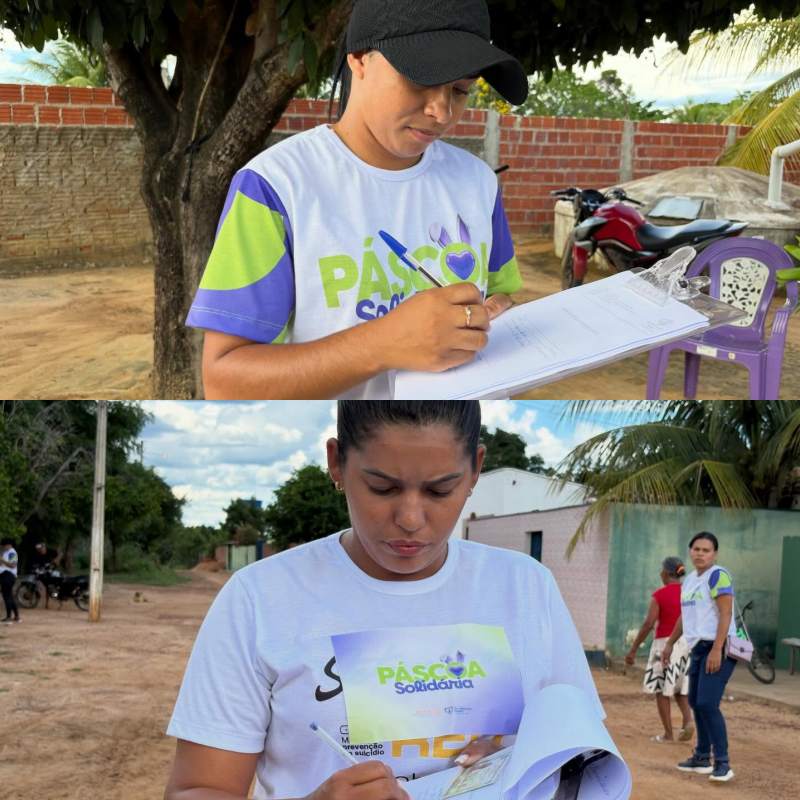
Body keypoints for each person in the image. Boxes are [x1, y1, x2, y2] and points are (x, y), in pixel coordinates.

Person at [164, 401, 607, 800]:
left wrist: (510, 755)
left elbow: (580, 756)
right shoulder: (260, 598)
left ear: (475, 468)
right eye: (381, 487)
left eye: (440, 490)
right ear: (336, 463)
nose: (410, 519)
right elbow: (198, 788)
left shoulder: (525, 587)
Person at [187, 0, 529, 400]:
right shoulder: (276, 186)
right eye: (420, 80)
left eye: (460, 90)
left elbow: (501, 298)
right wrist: (382, 343)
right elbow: (224, 380)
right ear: (359, 60)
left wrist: (493, 317)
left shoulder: (478, 183)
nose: (441, 112)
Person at [661, 532, 737, 783]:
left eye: (706, 550)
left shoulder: (718, 575)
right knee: (695, 700)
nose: (700, 554)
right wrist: (670, 644)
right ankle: (702, 757)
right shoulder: (691, 580)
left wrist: (717, 649)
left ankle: (723, 763)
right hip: (698, 648)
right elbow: (685, 616)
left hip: (718, 647)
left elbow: (726, 613)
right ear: (690, 551)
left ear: (715, 554)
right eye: (696, 549)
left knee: (707, 703)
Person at [624, 556, 692, 743]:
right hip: (685, 643)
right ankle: (688, 721)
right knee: (680, 687)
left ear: (666, 573)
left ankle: (668, 734)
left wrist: (633, 649)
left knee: (661, 689)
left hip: (664, 644)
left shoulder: (659, 595)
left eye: (662, 570)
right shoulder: (688, 592)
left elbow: (648, 624)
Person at [1, 537, 21, 624]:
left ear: (9, 545)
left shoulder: (12, 552)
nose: (3, 547)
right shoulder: (6, 552)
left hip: (8, 575)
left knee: (7, 596)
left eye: (4, 545)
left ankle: (9, 616)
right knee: (9, 596)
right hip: (5, 575)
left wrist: (2, 560)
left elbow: (13, 565)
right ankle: (16, 616)